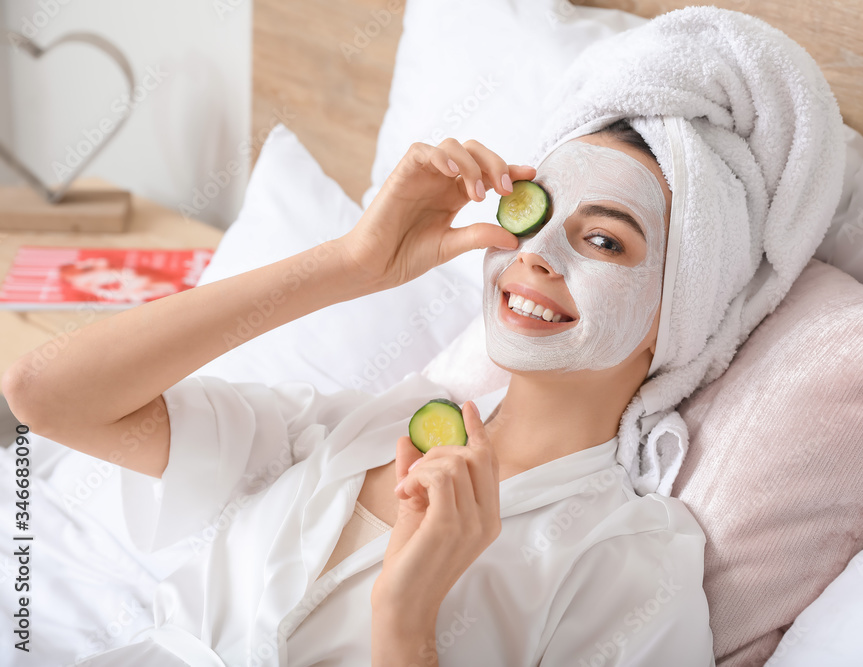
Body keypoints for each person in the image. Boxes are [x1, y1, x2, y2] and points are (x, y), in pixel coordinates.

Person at [2, 120, 715, 666]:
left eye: (604, 241)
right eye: (535, 213)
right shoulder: (351, 428)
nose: (534, 251)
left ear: (678, 314)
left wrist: (407, 624)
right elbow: (46, 393)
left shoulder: (637, 563)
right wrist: (354, 262)